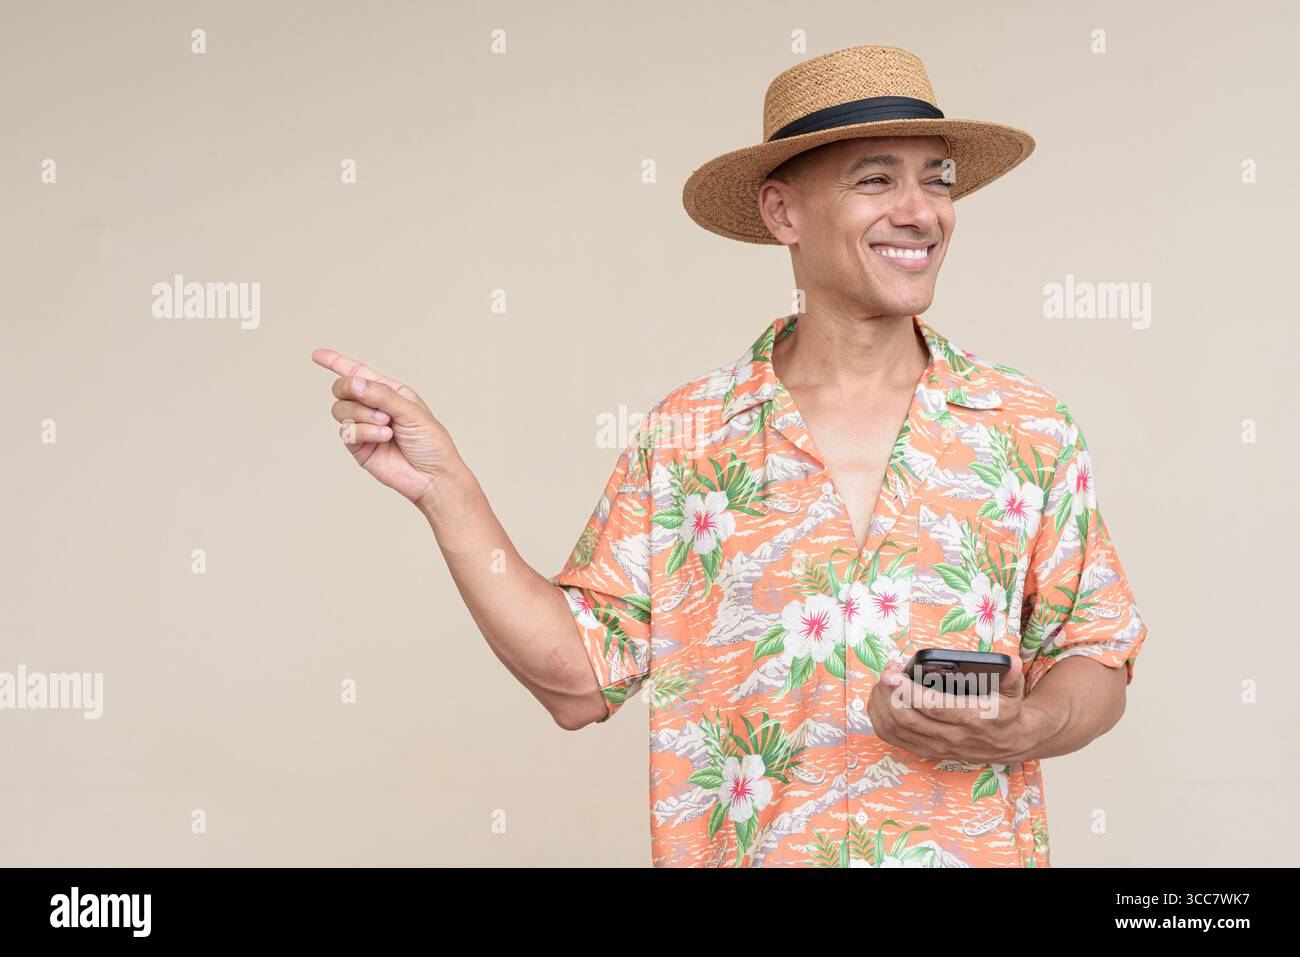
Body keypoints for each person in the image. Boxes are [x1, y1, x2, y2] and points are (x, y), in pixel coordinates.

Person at [311, 45, 1147, 867]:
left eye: (937, 178)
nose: (920, 209)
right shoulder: (689, 435)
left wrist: (1028, 725)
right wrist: (445, 488)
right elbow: (576, 681)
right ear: (783, 213)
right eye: (875, 179)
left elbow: (1095, 653)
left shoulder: (1025, 426)